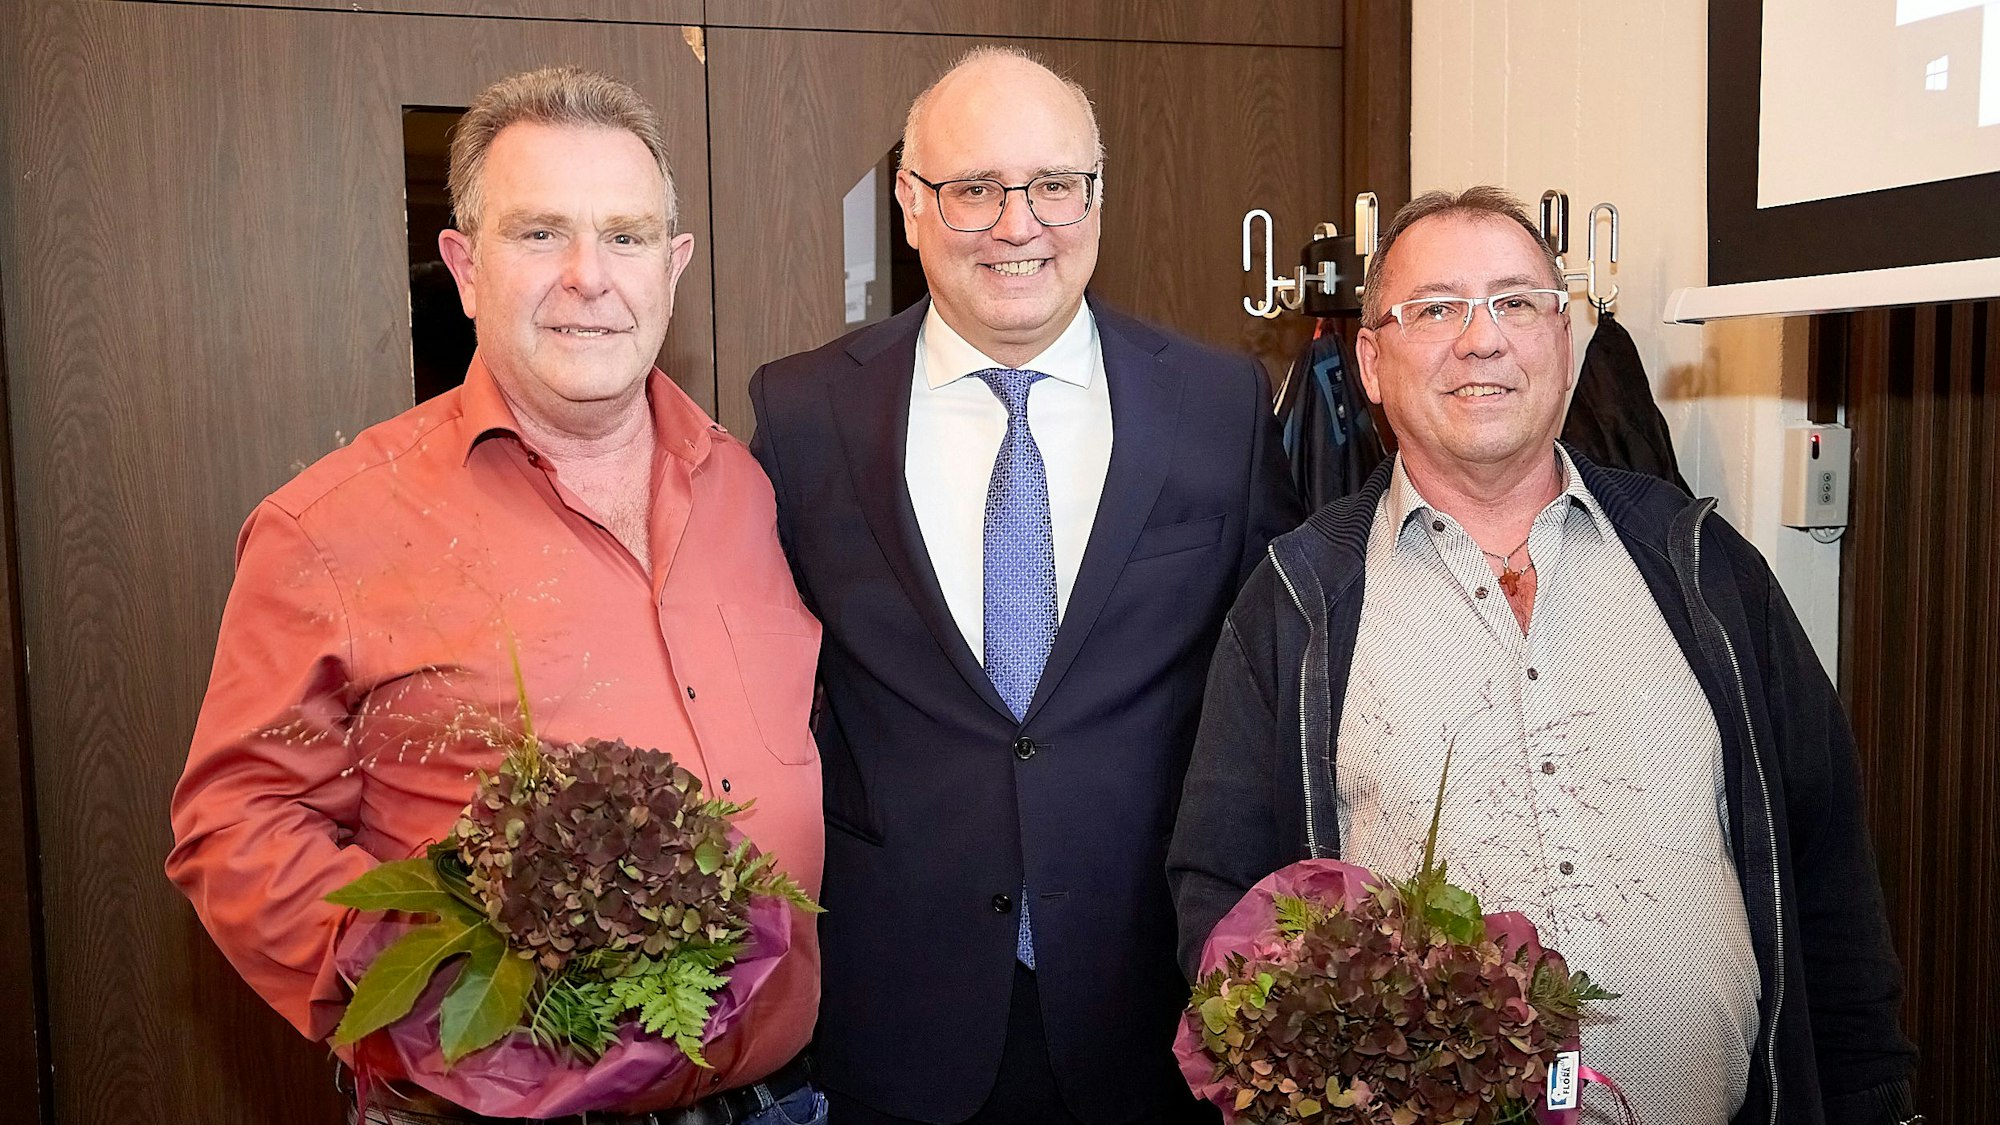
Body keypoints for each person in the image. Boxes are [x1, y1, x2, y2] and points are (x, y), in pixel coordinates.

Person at [1168, 187, 1920, 1125]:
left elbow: (1830, 873)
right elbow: (1220, 899)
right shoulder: (1297, 605)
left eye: (1517, 302)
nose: (1482, 340)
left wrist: (1874, 1097)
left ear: (1564, 341)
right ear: (1370, 359)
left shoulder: (1706, 572)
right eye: (1436, 308)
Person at [166, 67, 826, 1125]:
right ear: (465, 266)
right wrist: (425, 1009)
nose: (587, 276)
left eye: (625, 234)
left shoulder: (745, 487)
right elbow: (234, 824)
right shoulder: (329, 528)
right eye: (539, 235)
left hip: (777, 1100)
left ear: (674, 264)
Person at [748, 45, 1299, 1125]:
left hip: (1152, 1005)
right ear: (911, 204)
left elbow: (1263, 700)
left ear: (1096, 196)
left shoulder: (1217, 404)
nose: (1018, 224)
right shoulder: (805, 412)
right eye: (973, 190)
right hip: (895, 1010)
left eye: (1053, 185)